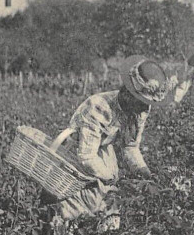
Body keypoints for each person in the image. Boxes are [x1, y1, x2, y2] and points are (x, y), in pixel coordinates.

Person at [56, 56, 171, 220]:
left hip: (102, 152)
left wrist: (144, 171)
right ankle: (65, 226)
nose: (144, 107)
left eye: (146, 102)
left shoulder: (141, 109)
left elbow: (130, 146)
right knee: (94, 201)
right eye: (140, 100)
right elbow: (86, 156)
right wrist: (113, 180)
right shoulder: (100, 106)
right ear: (129, 93)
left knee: (111, 204)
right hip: (77, 154)